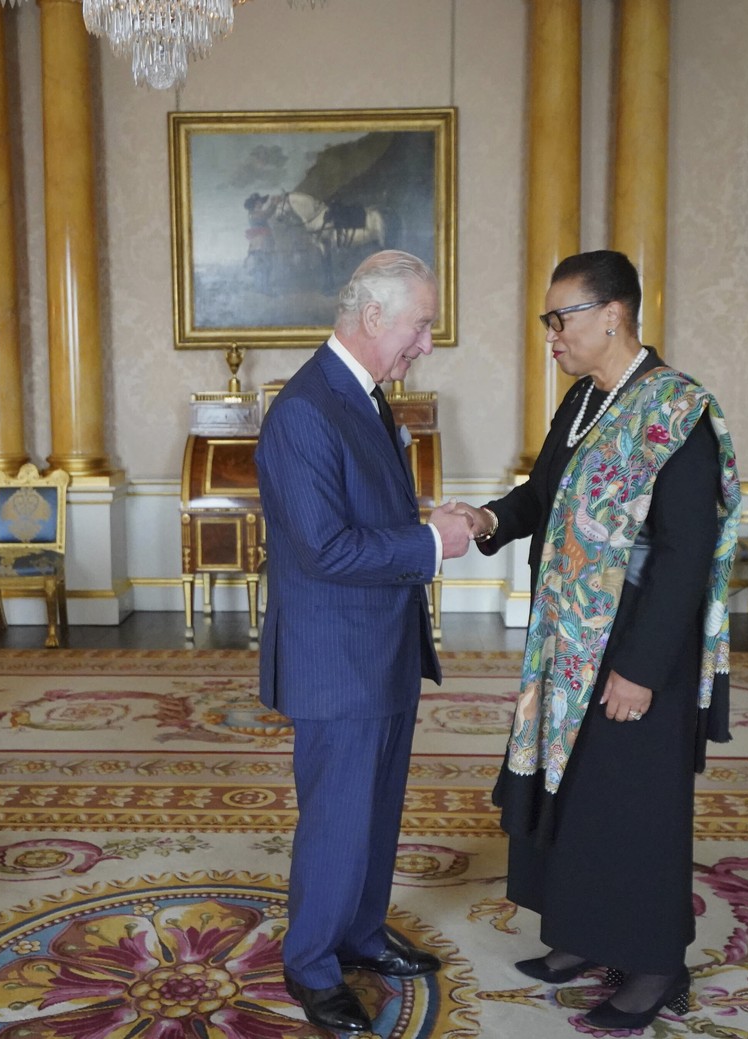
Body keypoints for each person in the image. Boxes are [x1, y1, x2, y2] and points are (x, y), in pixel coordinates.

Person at [445, 250, 740, 1032]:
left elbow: (686, 550)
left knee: (633, 804)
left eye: (560, 317)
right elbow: (541, 494)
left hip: (641, 642)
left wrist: (641, 668)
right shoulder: (583, 401)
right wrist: (484, 521)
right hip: (571, 638)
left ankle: (652, 964)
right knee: (573, 791)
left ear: (612, 314)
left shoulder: (677, 410)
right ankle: (582, 935)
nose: (550, 333)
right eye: (550, 319)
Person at [255, 249, 474, 1034]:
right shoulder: (306, 409)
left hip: (381, 643)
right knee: (339, 815)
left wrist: (424, 524)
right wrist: (428, 541)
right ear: (374, 315)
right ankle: (311, 964)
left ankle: (361, 934)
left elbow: (366, 515)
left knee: (377, 809)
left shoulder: (366, 395)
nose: (425, 342)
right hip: (336, 657)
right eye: (420, 324)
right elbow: (325, 549)